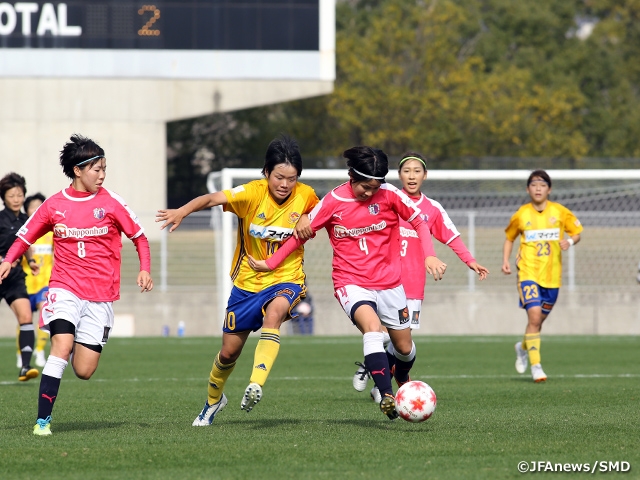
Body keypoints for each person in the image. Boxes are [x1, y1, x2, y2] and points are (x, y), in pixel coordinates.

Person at [248, 146, 447, 420]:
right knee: (373, 328)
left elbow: (420, 223)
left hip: (390, 283)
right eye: (366, 186)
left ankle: (401, 376)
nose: (370, 192)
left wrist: (430, 255)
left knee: (403, 348)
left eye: (376, 187)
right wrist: (270, 263)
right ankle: (386, 395)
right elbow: (299, 236)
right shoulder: (333, 201)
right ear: (352, 175)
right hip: (350, 282)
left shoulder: (390, 195)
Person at [156, 135, 319, 426]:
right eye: (279, 177)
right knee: (228, 353)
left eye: (291, 179)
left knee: (276, 313)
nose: (285, 184)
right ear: (267, 173)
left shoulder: (306, 195)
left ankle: (256, 383)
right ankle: (213, 401)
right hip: (247, 284)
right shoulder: (251, 193)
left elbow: (322, 213)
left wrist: (307, 214)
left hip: (286, 278)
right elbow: (211, 198)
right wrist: (182, 210)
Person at [0, 134, 153, 436]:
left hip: (100, 295)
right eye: (97, 168)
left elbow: (140, 237)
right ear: (78, 170)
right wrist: (8, 260)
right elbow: (25, 236)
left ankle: (67, 342)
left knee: (84, 370)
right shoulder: (55, 205)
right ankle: (42, 421)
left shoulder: (111, 202)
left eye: (104, 168)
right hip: (64, 287)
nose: (102, 174)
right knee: (61, 345)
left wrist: (145, 269)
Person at [353, 152, 490, 402]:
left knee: (402, 344)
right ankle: (372, 369)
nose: (412, 175)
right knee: (380, 331)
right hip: (384, 280)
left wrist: (470, 261)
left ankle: (384, 381)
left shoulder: (432, 209)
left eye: (417, 171)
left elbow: (451, 237)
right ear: (399, 175)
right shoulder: (387, 198)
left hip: (414, 285)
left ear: (425, 175)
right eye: (407, 171)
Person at [502, 169, 582, 382]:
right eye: (534, 185)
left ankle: (523, 346)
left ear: (549, 189)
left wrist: (570, 241)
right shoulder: (521, 214)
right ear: (528, 189)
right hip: (527, 273)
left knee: (537, 323)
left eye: (542, 185)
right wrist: (505, 261)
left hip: (552, 278)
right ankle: (537, 366)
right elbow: (510, 238)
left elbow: (577, 232)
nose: (538, 189)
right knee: (534, 317)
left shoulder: (560, 212)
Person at [0, 172, 40, 382]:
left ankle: (25, 367)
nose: (16, 199)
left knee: (26, 317)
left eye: (19, 195)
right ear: (4, 197)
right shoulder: (0, 219)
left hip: (15, 277)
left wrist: (31, 261)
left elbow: (25, 244)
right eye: (12, 195)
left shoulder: (26, 220)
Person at [16, 193, 52, 369]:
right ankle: (22, 352)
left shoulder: (50, 233)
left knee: (44, 316)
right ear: (27, 210)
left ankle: (40, 350)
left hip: (44, 283)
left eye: (39, 206)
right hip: (25, 283)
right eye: (32, 206)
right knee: (24, 320)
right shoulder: (22, 232)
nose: (35, 209)